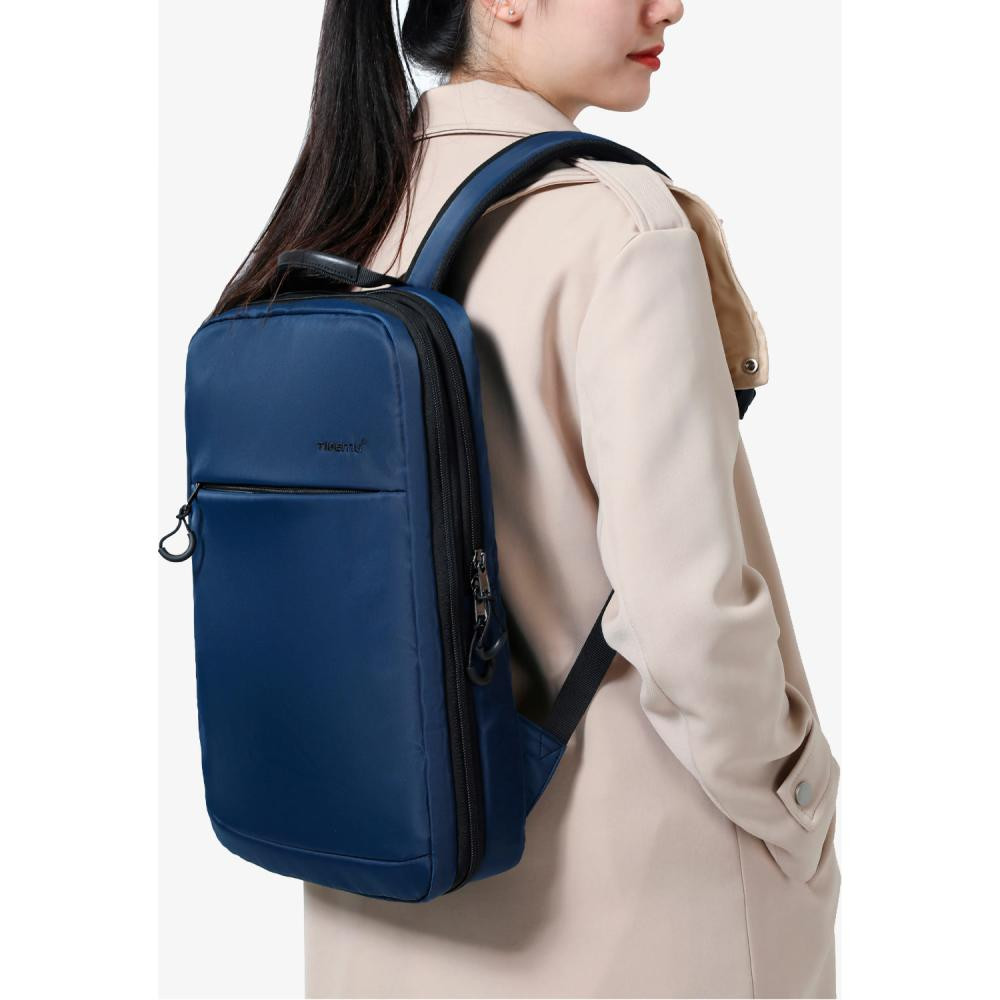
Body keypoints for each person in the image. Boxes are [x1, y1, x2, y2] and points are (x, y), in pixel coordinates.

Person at [213, 2, 841, 997]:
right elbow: (686, 613)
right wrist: (798, 798)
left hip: (378, 904)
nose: (671, 6)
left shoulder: (337, 211)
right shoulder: (617, 224)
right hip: (635, 918)